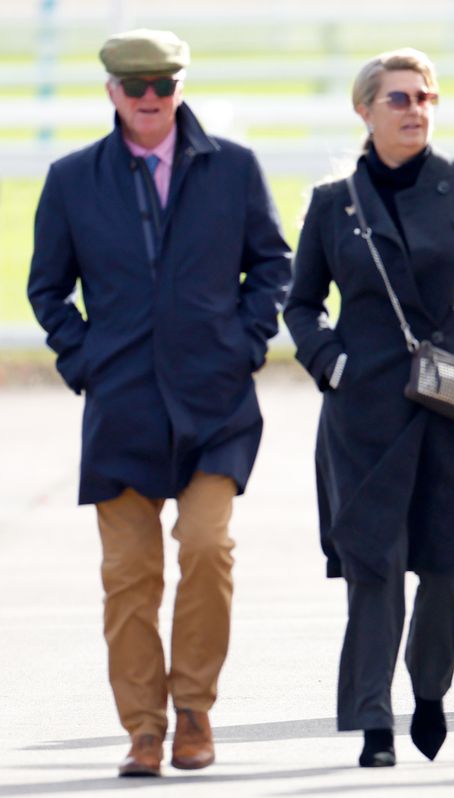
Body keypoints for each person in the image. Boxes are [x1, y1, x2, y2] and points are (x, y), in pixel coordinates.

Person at [27, 29, 291, 778]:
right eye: (134, 87)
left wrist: (242, 343)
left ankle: (194, 711)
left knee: (208, 548)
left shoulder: (233, 168)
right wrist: (85, 362)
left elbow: (271, 263)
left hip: (214, 404)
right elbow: (47, 288)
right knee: (129, 573)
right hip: (123, 407)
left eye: (163, 87)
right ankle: (143, 730)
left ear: (181, 87)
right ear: (111, 91)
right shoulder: (73, 178)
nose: (149, 100)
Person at [283, 48, 454, 769]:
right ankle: (373, 722)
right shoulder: (335, 203)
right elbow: (301, 302)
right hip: (365, 416)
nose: (416, 109)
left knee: (450, 571)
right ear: (365, 110)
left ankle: (428, 690)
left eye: (425, 97)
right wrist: (330, 362)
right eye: (399, 98)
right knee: (375, 567)